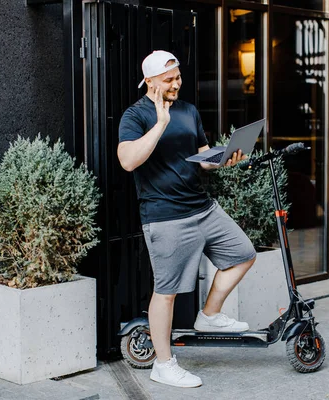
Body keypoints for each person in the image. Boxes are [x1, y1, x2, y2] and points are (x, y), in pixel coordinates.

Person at [117, 50, 256, 388]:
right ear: (149, 81)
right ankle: (163, 365)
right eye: (169, 80)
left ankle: (209, 315)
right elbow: (128, 161)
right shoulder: (135, 116)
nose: (177, 84)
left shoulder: (189, 111)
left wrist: (223, 158)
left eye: (178, 77)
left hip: (203, 207)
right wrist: (160, 124)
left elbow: (201, 157)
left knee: (243, 254)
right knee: (166, 292)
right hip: (166, 216)